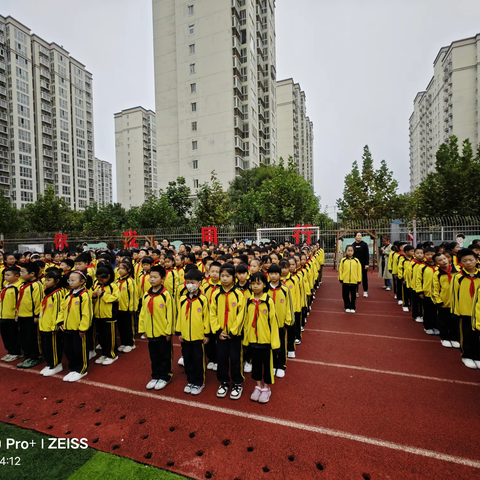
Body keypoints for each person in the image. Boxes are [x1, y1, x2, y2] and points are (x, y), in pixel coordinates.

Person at [243, 272, 280, 404]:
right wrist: (246, 340)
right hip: (253, 341)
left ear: (264, 284)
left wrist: (274, 343)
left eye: (258, 283)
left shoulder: (268, 301)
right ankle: (258, 386)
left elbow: (273, 323)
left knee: (267, 367)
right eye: (253, 283)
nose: (255, 286)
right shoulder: (249, 302)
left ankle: (266, 388)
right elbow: (247, 322)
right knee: (256, 365)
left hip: (266, 341)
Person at [210, 264, 245, 400]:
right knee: (222, 358)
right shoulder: (216, 294)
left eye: (227, 276)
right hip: (221, 334)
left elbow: (241, 314)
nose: (224, 278)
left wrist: (234, 330)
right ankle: (223, 382)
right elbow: (212, 313)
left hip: (234, 334)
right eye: (222, 275)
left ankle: (237, 383)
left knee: (236, 359)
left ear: (233, 277)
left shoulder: (238, 294)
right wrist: (218, 330)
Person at [138, 265, 174, 390]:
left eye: (155, 277)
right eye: (150, 277)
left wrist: (169, 331)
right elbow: (143, 313)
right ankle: (155, 375)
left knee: (164, 355)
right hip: (150, 332)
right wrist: (143, 329)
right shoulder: (146, 295)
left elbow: (170, 314)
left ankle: (165, 376)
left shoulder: (166, 295)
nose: (152, 279)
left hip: (163, 333)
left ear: (163, 279)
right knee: (153, 355)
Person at [175, 268, 211, 396]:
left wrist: (206, 334)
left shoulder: (203, 299)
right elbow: (179, 315)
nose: (190, 285)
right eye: (187, 282)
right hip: (186, 336)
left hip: (198, 337)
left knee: (198, 360)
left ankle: (199, 382)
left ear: (199, 283)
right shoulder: (183, 298)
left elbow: (207, 318)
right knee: (188, 359)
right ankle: (190, 380)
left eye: (193, 282)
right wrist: (179, 332)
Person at [58, 270, 93, 382]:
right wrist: (60, 322)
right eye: (69, 280)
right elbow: (62, 309)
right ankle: (73, 368)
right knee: (69, 350)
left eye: (73, 280)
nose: (70, 282)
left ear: (82, 281)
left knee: (80, 350)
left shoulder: (84, 295)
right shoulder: (68, 294)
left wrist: (83, 328)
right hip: (67, 328)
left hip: (78, 329)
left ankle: (81, 369)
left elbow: (86, 313)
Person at [451, 248, 480, 369]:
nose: (468, 263)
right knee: (466, 334)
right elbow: (454, 295)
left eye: (471, 260)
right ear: (460, 263)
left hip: (478, 313)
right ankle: (466, 355)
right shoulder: (458, 277)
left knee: (477, 335)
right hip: (465, 311)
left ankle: (477, 355)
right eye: (465, 261)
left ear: (476, 260)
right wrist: (455, 311)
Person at [16, 262, 44, 369]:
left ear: (32, 273)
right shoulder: (23, 285)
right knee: (24, 337)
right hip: (22, 315)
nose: (20, 274)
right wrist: (17, 313)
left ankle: (36, 356)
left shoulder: (37, 285)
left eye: (23, 272)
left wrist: (37, 315)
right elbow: (19, 301)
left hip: (31, 317)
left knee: (33, 337)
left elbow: (39, 302)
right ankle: (27, 356)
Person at [268, 264, 293, 378]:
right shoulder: (265, 289)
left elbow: (289, 306)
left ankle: (281, 365)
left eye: (276, 273)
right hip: (268, 325)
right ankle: (272, 365)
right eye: (271, 273)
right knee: (270, 345)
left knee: (282, 345)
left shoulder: (285, 289)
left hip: (281, 324)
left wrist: (288, 321)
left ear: (280, 274)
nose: (273, 276)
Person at [92, 265, 120, 366]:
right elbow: (93, 297)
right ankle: (104, 353)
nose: (100, 281)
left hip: (109, 316)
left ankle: (112, 354)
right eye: (98, 279)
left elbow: (116, 298)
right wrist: (94, 296)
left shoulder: (113, 286)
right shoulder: (98, 285)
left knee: (110, 337)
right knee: (101, 337)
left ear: (108, 277)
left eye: (102, 279)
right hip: (98, 315)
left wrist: (103, 294)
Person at [39, 269, 64, 376]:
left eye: (49, 280)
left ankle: (56, 364)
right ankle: (49, 363)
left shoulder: (57, 294)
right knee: (46, 347)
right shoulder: (47, 293)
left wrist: (55, 326)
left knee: (53, 346)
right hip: (44, 325)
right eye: (45, 280)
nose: (46, 282)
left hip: (51, 326)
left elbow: (58, 310)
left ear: (57, 280)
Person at [432, 252, 459, 348]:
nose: (444, 261)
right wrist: (438, 301)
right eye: (440, 260)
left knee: (455, 322)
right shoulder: (437, 273)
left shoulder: (458, 270)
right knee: (443, 321)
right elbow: (435, 288)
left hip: (456, 303)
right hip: (444, 302)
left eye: (445, 258)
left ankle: (454, 338)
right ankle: (444, 338)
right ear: (437, 263)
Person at [0, 266, 22, 362]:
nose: (6, 277)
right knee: (5, 335)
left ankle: (16, 352)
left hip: (12, 316)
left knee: (13, 334)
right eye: (5, 275)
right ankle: (10, 351)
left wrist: (17, 314)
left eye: (8, 275)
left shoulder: (19, 287)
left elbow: (20, 302)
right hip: (3, 315)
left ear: (17, 276)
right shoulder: (6, 286)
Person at [202, 261, 221, 371]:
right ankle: (212, 359)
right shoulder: (204, 286)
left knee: (218, 340)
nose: (214, 274)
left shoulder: (222, 287)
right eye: (212, 271)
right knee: (209, 339)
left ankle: (218, 359)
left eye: (217, 272)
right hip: (207, 317)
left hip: (218, 317)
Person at [116, 261, 138, 353]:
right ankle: (124, 342)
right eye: (119, 268)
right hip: (119, 308)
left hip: (127, 309)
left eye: (122, 268)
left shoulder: (130, 281)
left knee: (129, 326)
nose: (120, 270)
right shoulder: (117, 281)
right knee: (121, 327)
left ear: (129, 270)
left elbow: (133, 295)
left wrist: (132, 308)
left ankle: (130, 343)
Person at [416, 247, 438, 335]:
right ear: (424, 256)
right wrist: (420, 291)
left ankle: (435, 326)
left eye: (432, 254)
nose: (430, 256)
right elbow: (418, 279)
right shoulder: (422, 267)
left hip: (438, 294)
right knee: (428, 311)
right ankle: (428, 326)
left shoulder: (439, 266)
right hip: (427, 293)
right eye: (428, 255)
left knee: (436, 311)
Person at [338, 245, 362, 313]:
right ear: (346, 251)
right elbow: (341, 270)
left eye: (351, 251)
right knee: (345, 295)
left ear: (353, 251)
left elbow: (359, 271)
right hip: (345, 281)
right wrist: (341, 278)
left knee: (353, 295)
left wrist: (359, 279)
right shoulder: (343, 260)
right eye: (348, 251)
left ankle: (352, 307)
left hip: (354, 281)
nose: (350, 252)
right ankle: (347, 306)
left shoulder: (356, 261)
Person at [352, 232, 369, 297]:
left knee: (364, 277)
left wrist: (367, 264)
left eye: (360, 235)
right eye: (358, 235)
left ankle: (365, 291)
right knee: (355, 278)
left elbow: (367, 255)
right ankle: (356, 291)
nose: (359, 237)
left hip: (363, 263)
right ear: (355, 237)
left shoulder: (364, 244)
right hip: (355, 264)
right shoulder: (353, 245)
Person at [411, 247, 425, 323]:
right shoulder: (412, 263)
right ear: (414, 254)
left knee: (423, 302)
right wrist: (409, 284)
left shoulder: (425, 264)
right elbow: (408, 274)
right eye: (417, 253)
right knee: (416, 302)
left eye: (421, 253)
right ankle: (416, 315)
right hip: (414, 286)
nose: (419, 255)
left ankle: (422, 315)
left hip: (424, 286)